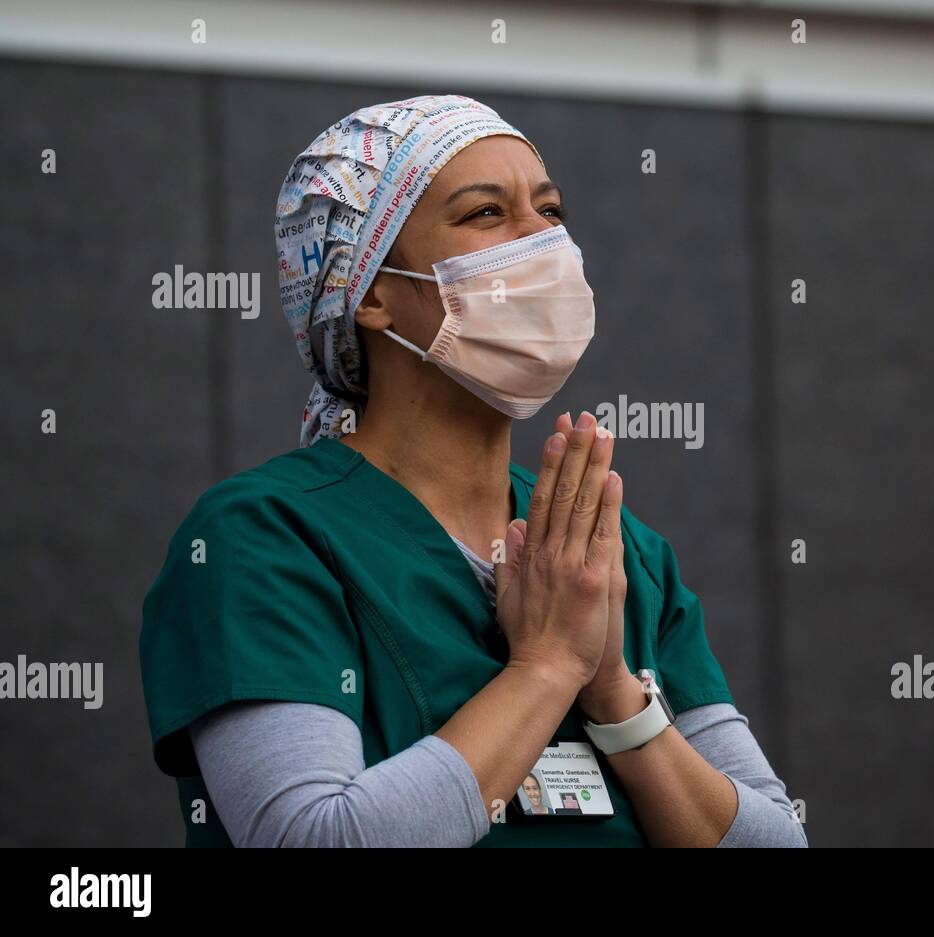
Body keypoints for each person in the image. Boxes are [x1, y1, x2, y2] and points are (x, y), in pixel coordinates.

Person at [139, 94, 807, 848]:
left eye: (549, 210)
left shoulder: (613, 553)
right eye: (487, 214)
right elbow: (314, 838)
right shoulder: (264, 539)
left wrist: (616, 692)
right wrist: (548, 664)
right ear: (372, 291)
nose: (544, 242)